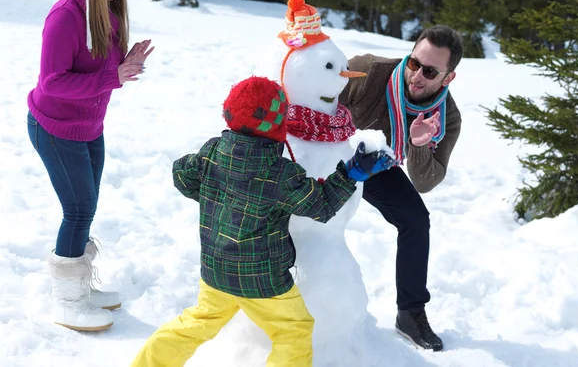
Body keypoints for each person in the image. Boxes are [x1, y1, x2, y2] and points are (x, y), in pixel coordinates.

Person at [131, 76, 394, 367]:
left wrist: (213, 195)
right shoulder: (281, 173)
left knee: (195, 324)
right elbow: (320, 205)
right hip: (263, 281)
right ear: (277, 123)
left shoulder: (212, 152)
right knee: (293, 330)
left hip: (216, 273)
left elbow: (182, 174)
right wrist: (351, 174)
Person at [26, 0, 154, 332]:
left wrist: (124, 62)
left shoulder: (107, 13)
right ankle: (68, 301)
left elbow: (96, 67)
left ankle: (79, 286)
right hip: (55, 128)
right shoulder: (64, 17)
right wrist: (112, 76)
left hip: (88, 128)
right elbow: (53, 82)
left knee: (86, 208)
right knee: (78, 210)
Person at [339, 25, 463, 351]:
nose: (417, 75)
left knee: (415, 219)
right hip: (329, 152)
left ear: (447, 78)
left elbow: (424, 182)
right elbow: (311, 97)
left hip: (376, 165)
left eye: (430, 71)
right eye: (413, 63)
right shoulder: (367, 72)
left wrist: (419, 144)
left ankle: (410, 313)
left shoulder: (446, 118)